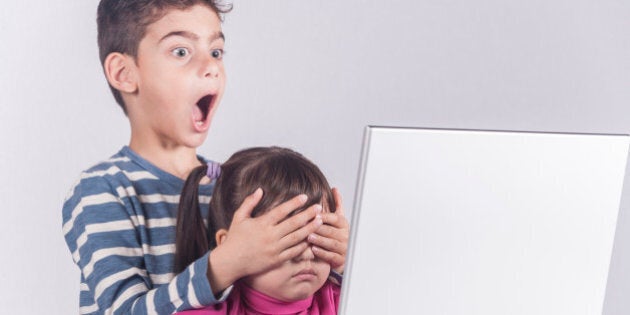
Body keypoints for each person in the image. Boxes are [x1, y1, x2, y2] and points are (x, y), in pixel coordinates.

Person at [61, 1, 349, 314]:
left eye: (216, 51)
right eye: (181, 51)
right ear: (124, 73)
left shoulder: (235, 182)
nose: (211, 66)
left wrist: (341, 258)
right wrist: (223, 266)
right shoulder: (102, 191)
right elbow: (122, 310)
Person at [173, 147, 342, 314]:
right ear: (228, 247)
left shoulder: (346, 299)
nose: (307, 255)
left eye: (318, 233)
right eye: (288, 237)